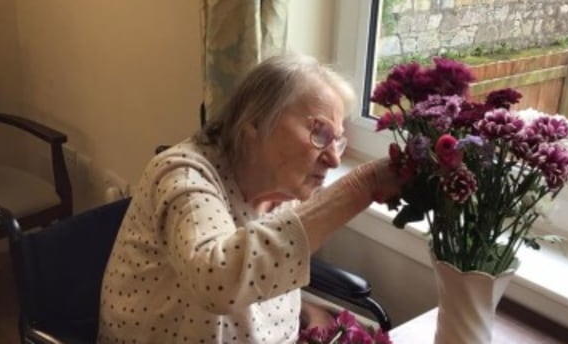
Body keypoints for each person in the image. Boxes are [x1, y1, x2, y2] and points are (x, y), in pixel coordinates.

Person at [98, 53, 403, 343]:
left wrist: (306, 311)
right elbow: (218, 281)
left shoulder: (282, 185)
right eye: (319, 132)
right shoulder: (184, 176)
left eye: (337, 140)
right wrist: (364, 185)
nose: (334, 159)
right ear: (255, 122)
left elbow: (259, 267)